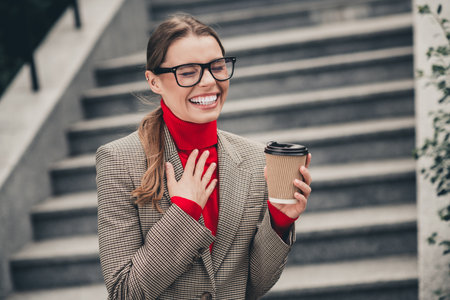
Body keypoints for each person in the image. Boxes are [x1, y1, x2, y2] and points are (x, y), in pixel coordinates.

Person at [96, 13, 312, 300]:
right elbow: (124, 293)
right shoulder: (119, 161)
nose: (209, 81)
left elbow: (252, 285)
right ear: (154, 81)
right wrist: (183, 213)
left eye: (217, 67)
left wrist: (278, 222)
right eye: (188, 72)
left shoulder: (255, 159)